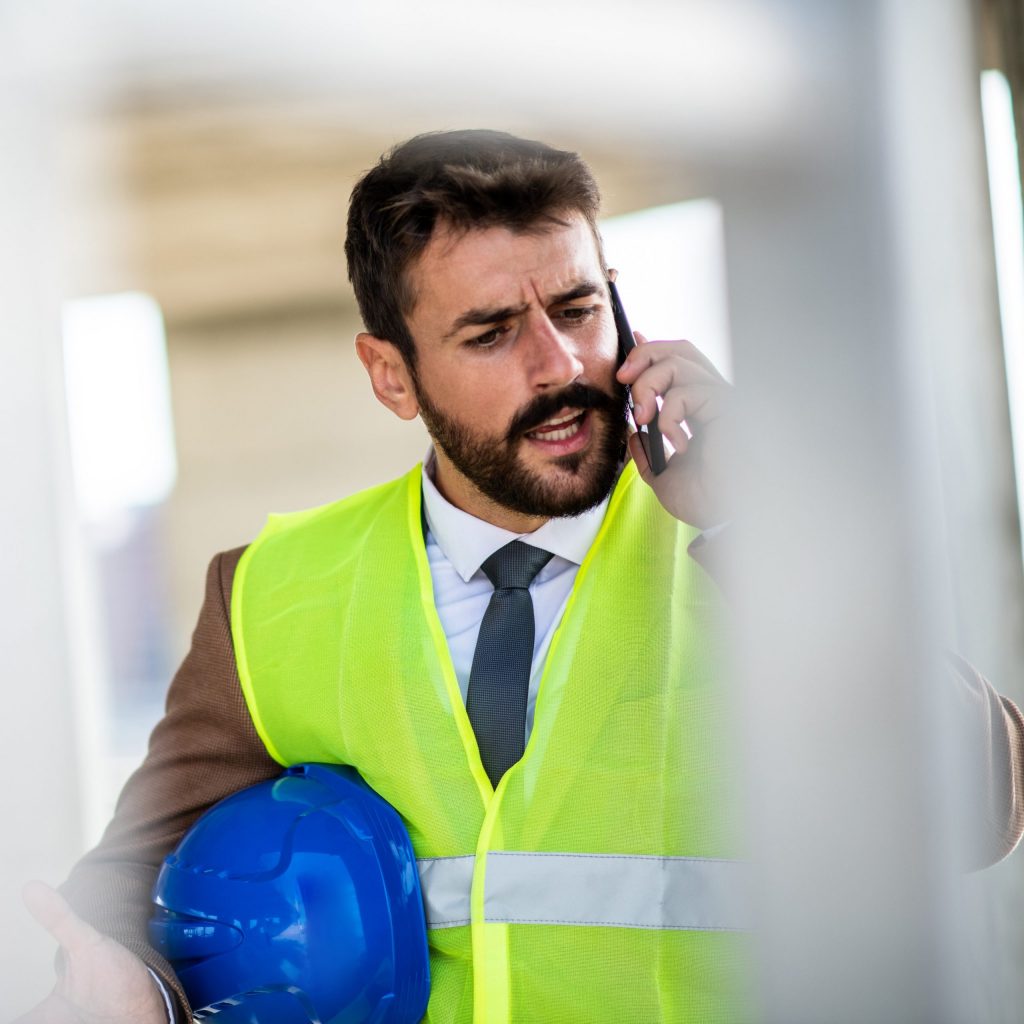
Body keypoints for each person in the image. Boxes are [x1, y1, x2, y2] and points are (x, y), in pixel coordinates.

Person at [18, 129, 1024, 1024]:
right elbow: (130, 886)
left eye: (579, 308)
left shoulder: (764, 530)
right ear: (390, 374)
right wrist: (139, 994)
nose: (557, 364)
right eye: (491, 332)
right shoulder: (270, 591)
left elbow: (977, 801)